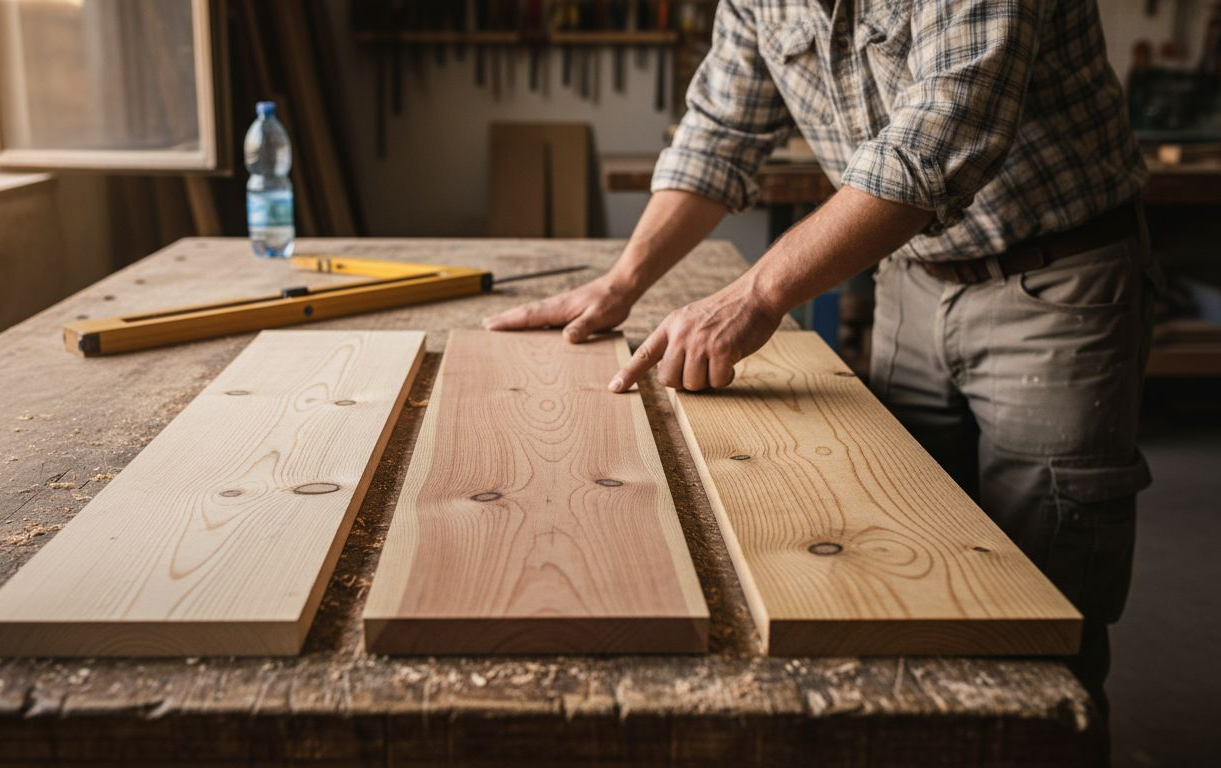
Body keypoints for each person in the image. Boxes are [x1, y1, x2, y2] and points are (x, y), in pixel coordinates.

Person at [484, 0, 1162, 716]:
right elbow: (720, 134)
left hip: (1055, 280)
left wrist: (756, 293)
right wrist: (623, 283)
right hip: (911, 274)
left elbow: (938, 139)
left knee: (1045, 605)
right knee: (908, 554)